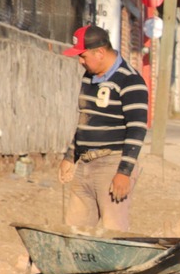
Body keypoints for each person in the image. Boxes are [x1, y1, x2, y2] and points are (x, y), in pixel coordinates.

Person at [61, 25, 148, 231]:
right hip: (85, 166)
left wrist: (124, 172)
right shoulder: (89, 78)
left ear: (100, 52)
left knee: (113, 230)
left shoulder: (130, 81)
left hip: (112, 164)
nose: (80, 62)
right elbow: (85, 120)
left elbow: (137, 129)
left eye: (83, 56)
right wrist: (70, 156)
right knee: (74, 231)